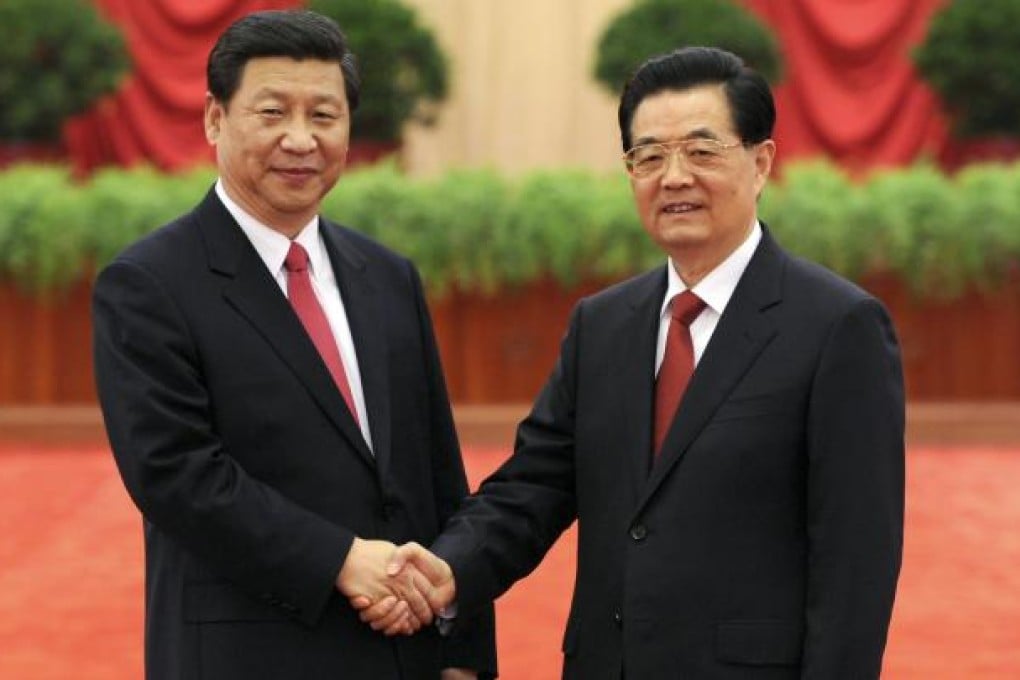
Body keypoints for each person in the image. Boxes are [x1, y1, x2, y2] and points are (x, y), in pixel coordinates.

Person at [366, 46, 905, 678]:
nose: (674, 177)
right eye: (648, 156)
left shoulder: (838, 326)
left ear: (761, 163)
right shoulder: (603, 325)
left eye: (702, 151)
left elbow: (855, 564)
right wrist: (448, 569)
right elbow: (532, 486)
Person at [92, 10, 495, 680]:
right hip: (250, 653)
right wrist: (341, 558)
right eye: (272, 112)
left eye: (324, 116)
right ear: (215, 119)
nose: (301, 140)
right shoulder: (149, 283)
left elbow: (437, 474)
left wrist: (463, 653)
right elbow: (177, 476)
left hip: (406, 655)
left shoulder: (388, 276)